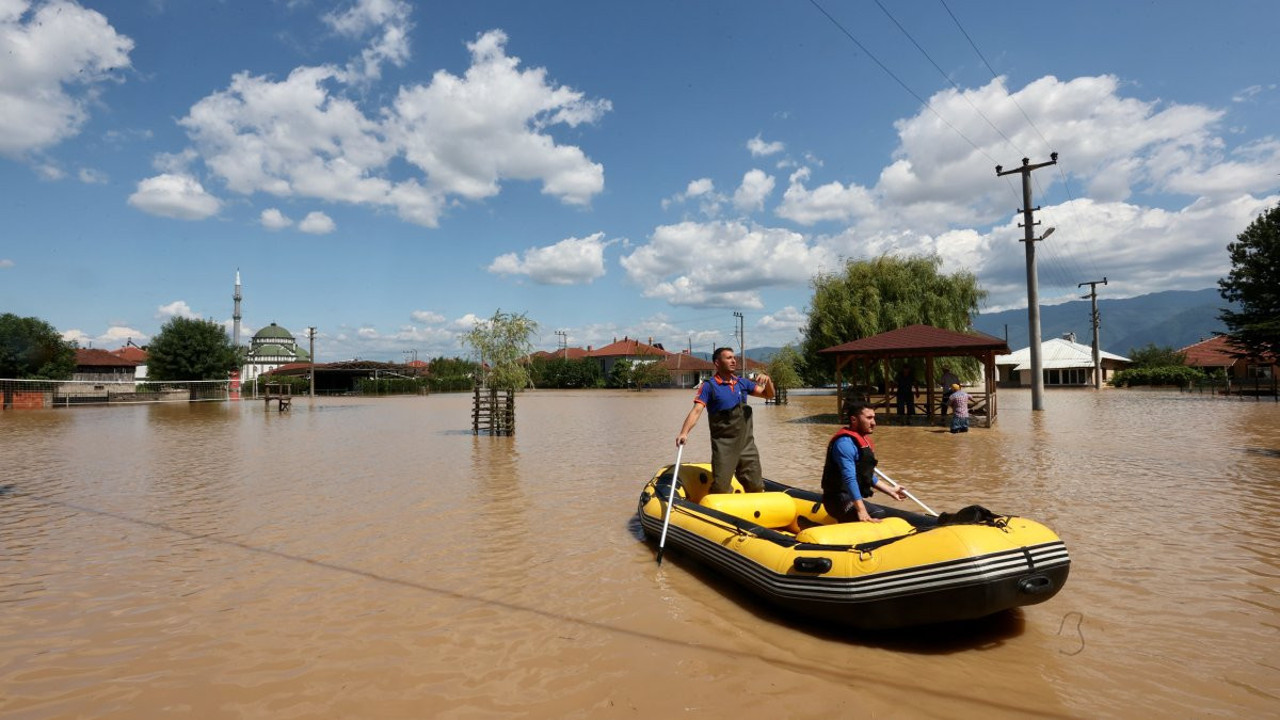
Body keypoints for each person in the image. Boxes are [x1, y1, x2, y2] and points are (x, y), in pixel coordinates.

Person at [821, 402, 937, 528]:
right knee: (877, 513)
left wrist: (890, 490)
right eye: (869, 418)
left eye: (874, 417)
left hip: (848, 496)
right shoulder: (844, 444)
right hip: (836, 499)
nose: (874, 423)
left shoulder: (862, 440)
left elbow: (866, 475)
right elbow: (850, 478)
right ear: (854, 419)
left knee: (876, 512)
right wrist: (861, 510)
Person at [676, 348, 774, 494]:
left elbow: (768, 395)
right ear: (717, 363)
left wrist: (768, 381)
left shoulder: (742, 383)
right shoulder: (709, 386)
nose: (733, 361)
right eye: (728, 358)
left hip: (747, 445)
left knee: (756, 486)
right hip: (724, 447)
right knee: (721, 488)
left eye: (734, 358)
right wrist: (684, 433)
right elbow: (696, 410)